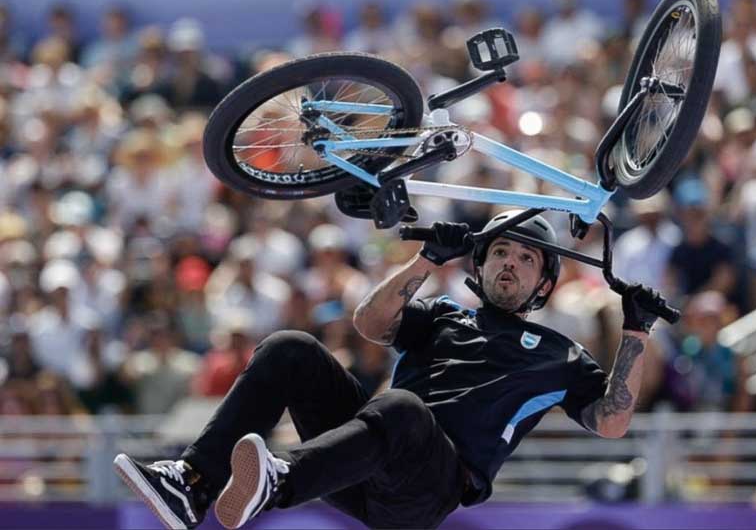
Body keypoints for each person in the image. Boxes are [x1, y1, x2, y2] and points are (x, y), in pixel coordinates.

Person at [113, 209, 664, 529]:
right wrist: (426, 260)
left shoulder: (559, 355)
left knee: (403, 407)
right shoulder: (447, 315)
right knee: (289, 347)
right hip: (357, 464)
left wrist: (634, 332)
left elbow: (611, 422)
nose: (508, 264)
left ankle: (280, 479)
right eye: (499, 252)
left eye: (525, 259)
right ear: (482, 262)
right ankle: (191, 484)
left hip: (423, 493)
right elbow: (369, 322)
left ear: (544, 284)